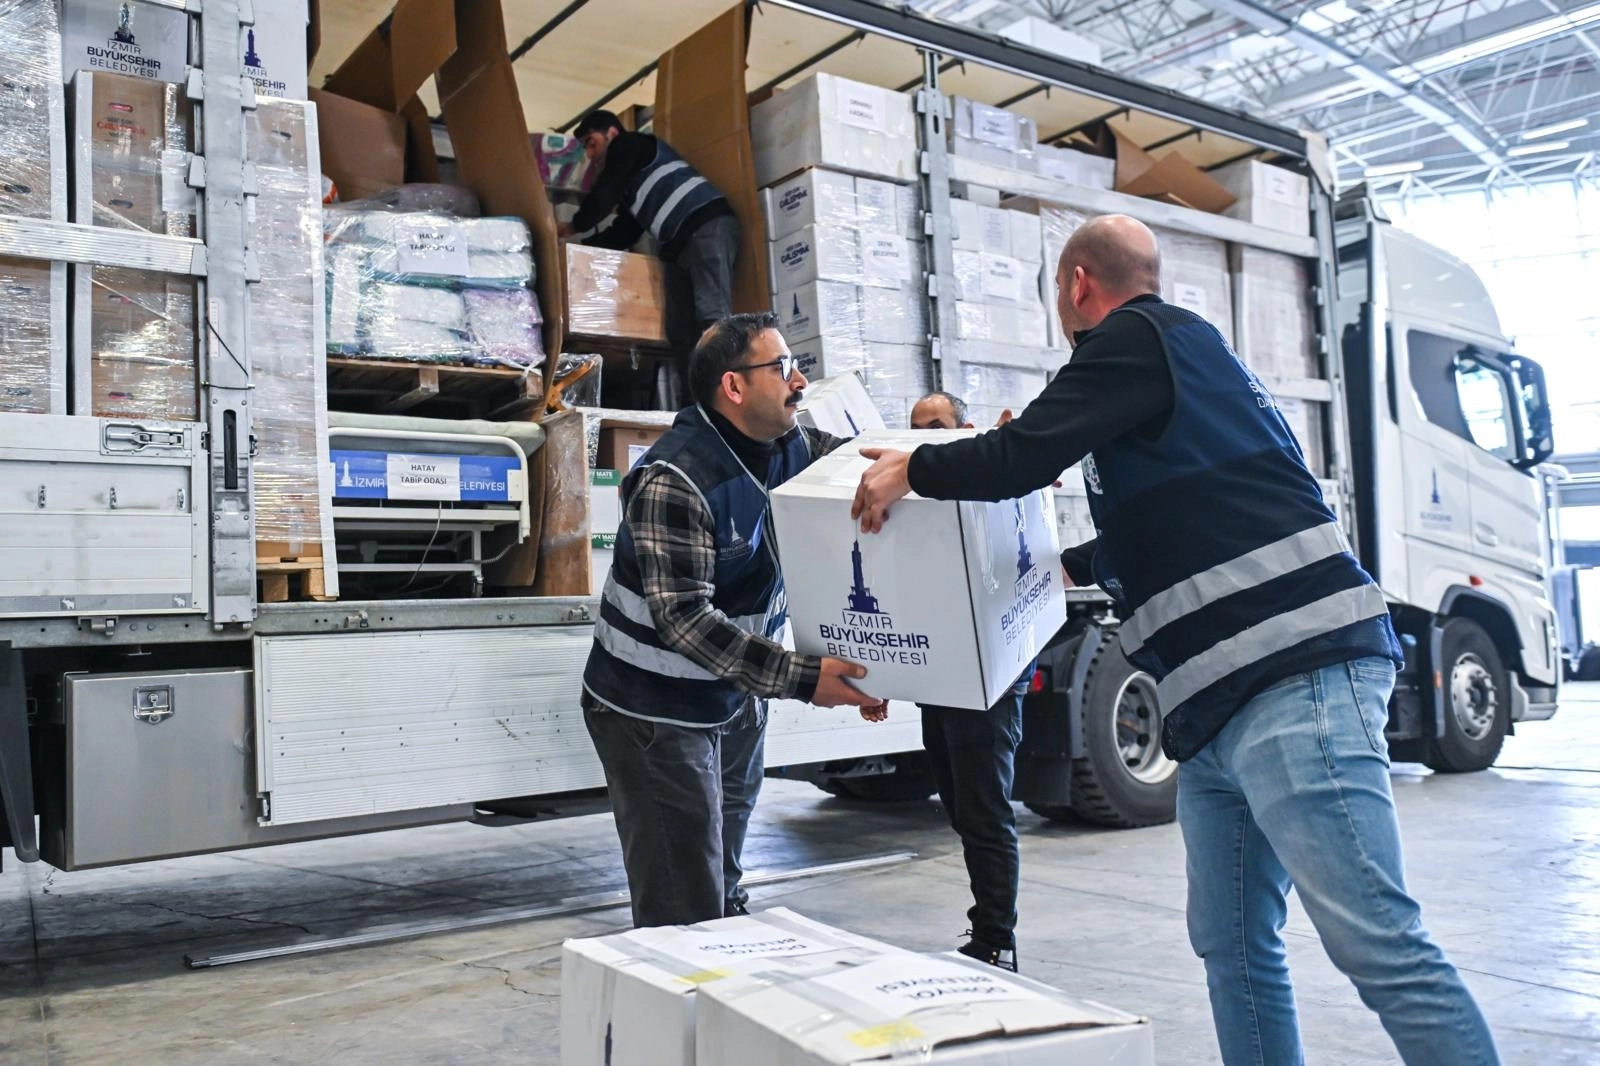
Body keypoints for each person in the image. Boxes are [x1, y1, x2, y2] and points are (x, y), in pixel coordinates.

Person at [850, 216, 1500, 1065]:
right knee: (1233, 948)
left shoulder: (1137, 338)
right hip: (1215, 711)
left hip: (1293, 679)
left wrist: (914, 467)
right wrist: (1043, 566)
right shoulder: (1173, 377)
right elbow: (1148, 532)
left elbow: (1019, 455)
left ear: (1077, 285)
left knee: (1378, 943)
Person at [582, 311, 882, 928]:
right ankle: (685, 965)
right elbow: (685, 619)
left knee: (723, 873)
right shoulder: (676, 479)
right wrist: (806, 677)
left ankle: (720, 937)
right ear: (734, 387)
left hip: (733, 694)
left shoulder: (793, 448)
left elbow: (872, 465)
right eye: (782, 367)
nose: (800, 381)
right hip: (654, 709)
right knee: (683, 896)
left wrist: (957, 452)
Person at [901, 390, 1030, 972]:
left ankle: (995, 940)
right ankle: (990, 930)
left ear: (966, 428)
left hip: (990, 674)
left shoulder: (993, 482)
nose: (926, 438)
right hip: (941, 672)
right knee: (958, 806)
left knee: (983, 810)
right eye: (917, 429)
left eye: (938, 426)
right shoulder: (915, 497)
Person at [561, 109, 741, 389]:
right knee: (680, 331)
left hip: (705, 224)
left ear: (612, 133)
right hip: (677, 245)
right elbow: (625, 231)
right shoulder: (632, 186)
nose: (590, 155)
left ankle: (727, 389)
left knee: (712, 313)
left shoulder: (630, 144)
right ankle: (697, 398)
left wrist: (572, 226)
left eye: (592, 143)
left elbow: (604, 193)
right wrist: (576, 252)